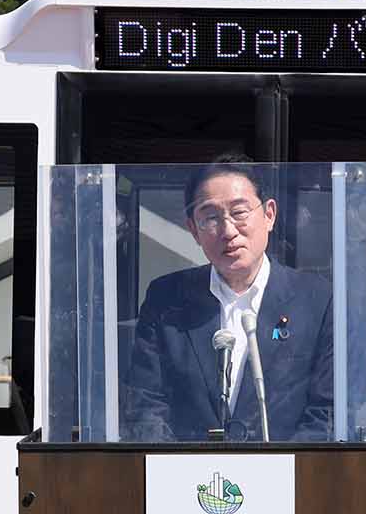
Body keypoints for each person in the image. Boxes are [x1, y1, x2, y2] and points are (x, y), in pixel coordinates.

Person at [124, 157, 335, 442]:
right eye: (210, 217)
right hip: (187, 479)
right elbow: (146, 404)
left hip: (285, 478)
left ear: (269, 215)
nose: (228, 230)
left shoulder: (317, 301)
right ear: (193, 229)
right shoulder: (166, 299)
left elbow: (325, 413)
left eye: (239, 212)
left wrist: (283, 473)